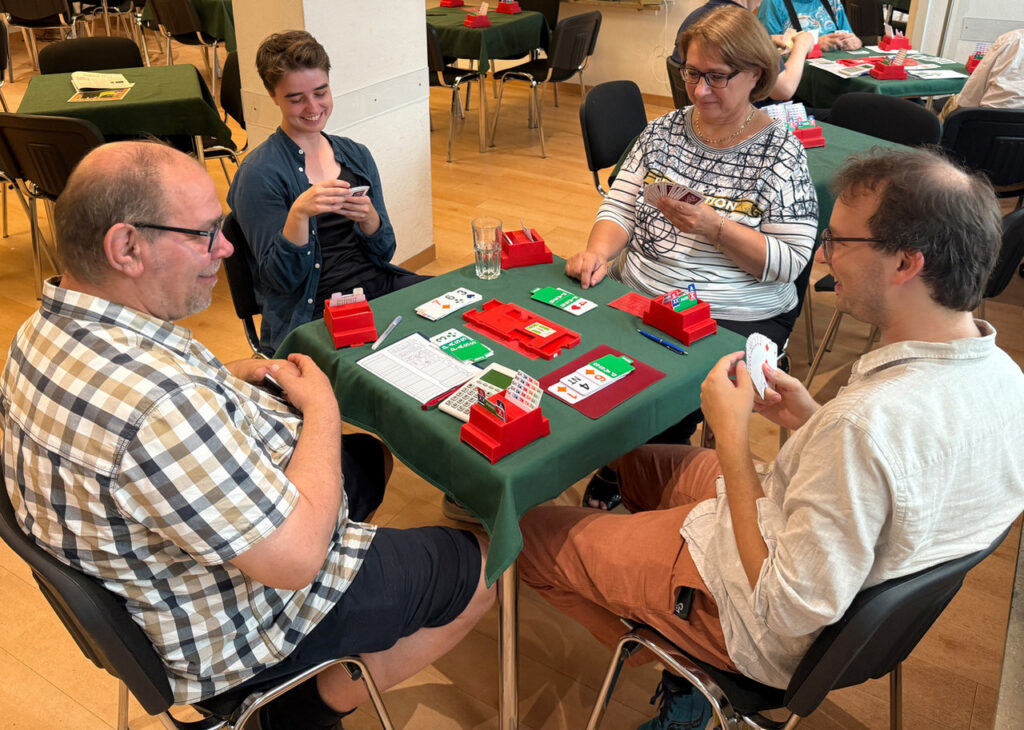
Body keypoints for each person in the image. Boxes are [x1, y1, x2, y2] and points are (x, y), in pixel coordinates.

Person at [519, 146, 1024, 730]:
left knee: (529, 538)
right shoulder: (1005, 377)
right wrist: (811, 418)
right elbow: (896, 480)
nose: (823, 255)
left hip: (762, 623)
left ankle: (688, 667)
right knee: (637, 463)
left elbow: (785, 607)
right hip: (822, 562)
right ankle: (661, 608)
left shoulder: (863, 425)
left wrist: (732, 437)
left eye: (838, 241)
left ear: (906, 263)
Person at [0, 141, 494, 730]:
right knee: (488, 565)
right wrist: (323, 407)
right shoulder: (160, 407)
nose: (227, 248)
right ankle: (297, 709)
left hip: (168, 572)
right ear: (126, 247)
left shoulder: (42, 330)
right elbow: (296, 561)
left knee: (369, 457)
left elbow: (149, 412)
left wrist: (224, 377)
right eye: (205, 234)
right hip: (236, 625)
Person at [567, 6, 817, 484]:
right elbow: (619, 205)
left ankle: (643, 468)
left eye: (717, 77)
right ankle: (628, 458)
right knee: (575, 364)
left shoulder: (781, 151)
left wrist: (714, 227)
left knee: (655, 401)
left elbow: (788, 263)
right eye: (691, 73)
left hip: (731, 314)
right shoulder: (663, 131)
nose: (699, 90)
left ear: (756, 75)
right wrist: (598, 252)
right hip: (641, 293)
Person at [227, 31, 429, 355]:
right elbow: (281, 281)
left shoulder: (356, 155)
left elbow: (384, 253)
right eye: (296, 99)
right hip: (312, 313)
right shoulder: (258, 174)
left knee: (461, 307)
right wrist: (298, 215)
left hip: (378, 289)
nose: (313, 107)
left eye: (321, 92)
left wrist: (370, 220)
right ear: (272, 95)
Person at [669, 0, 818, 102]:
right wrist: (802, 45)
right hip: (750, 119)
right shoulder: (744, 25)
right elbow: (784, 90)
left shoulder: (695, 18)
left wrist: (766, 39)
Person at [939, 28, 1024, 122]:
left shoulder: (1011, 40)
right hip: (1011, 124)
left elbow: (969, 98)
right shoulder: (1013, 40)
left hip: (988, 121)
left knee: (954, 103)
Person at [757, 0, 863, 51]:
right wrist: (814, 44)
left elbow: (849, 35)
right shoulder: (773, 3)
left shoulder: (832, 2)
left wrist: (856, 42)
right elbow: (764, 49)